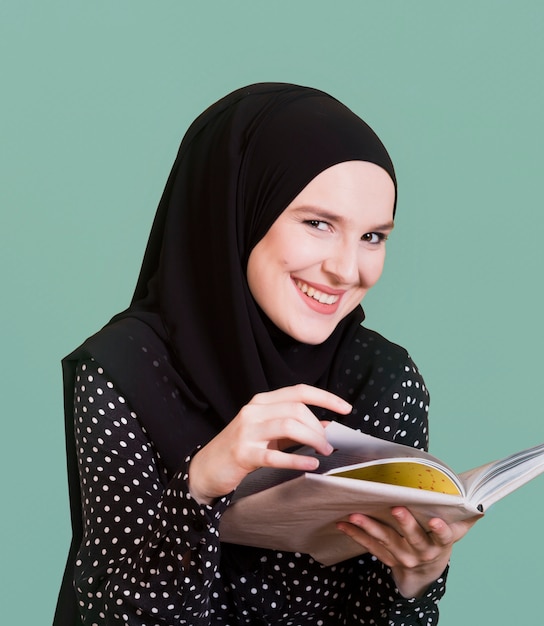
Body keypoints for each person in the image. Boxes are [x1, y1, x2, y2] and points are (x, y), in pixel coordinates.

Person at [54, 83, 477, 626]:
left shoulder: (382, 379)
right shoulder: (124, 373)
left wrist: (413, 583)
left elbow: (374, 615)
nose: (349, 271)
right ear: (239, 212)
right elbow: (118, 616)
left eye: (373, 236)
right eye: (318, 224)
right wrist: (202, 481)